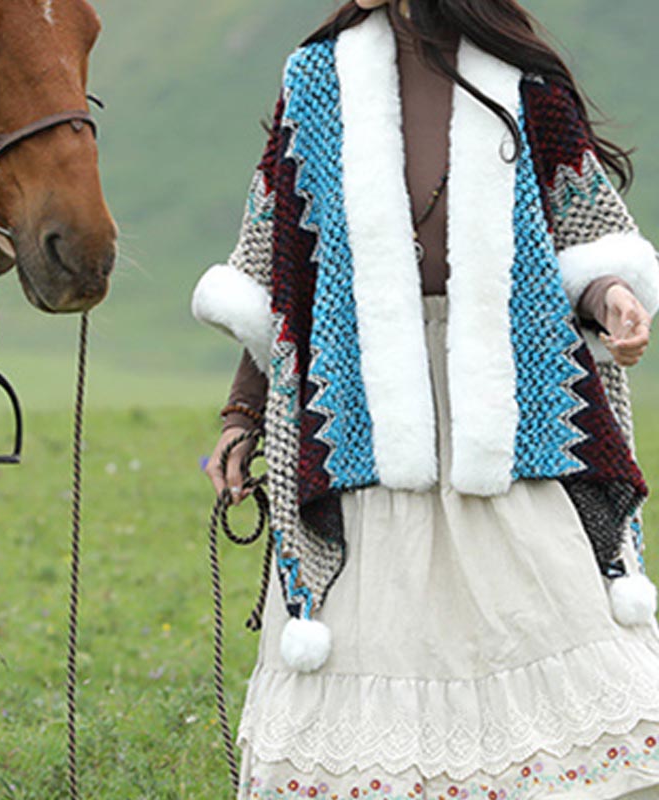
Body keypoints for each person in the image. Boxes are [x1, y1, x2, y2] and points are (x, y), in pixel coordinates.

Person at [191, 1, 659, 797]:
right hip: (359, 405)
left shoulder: (527, 81)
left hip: (515, 412)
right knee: (376, 627)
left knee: (553, 609)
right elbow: (282, 273)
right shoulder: (315, 81)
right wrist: (242, 415)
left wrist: (613, 294)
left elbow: (582, 233)